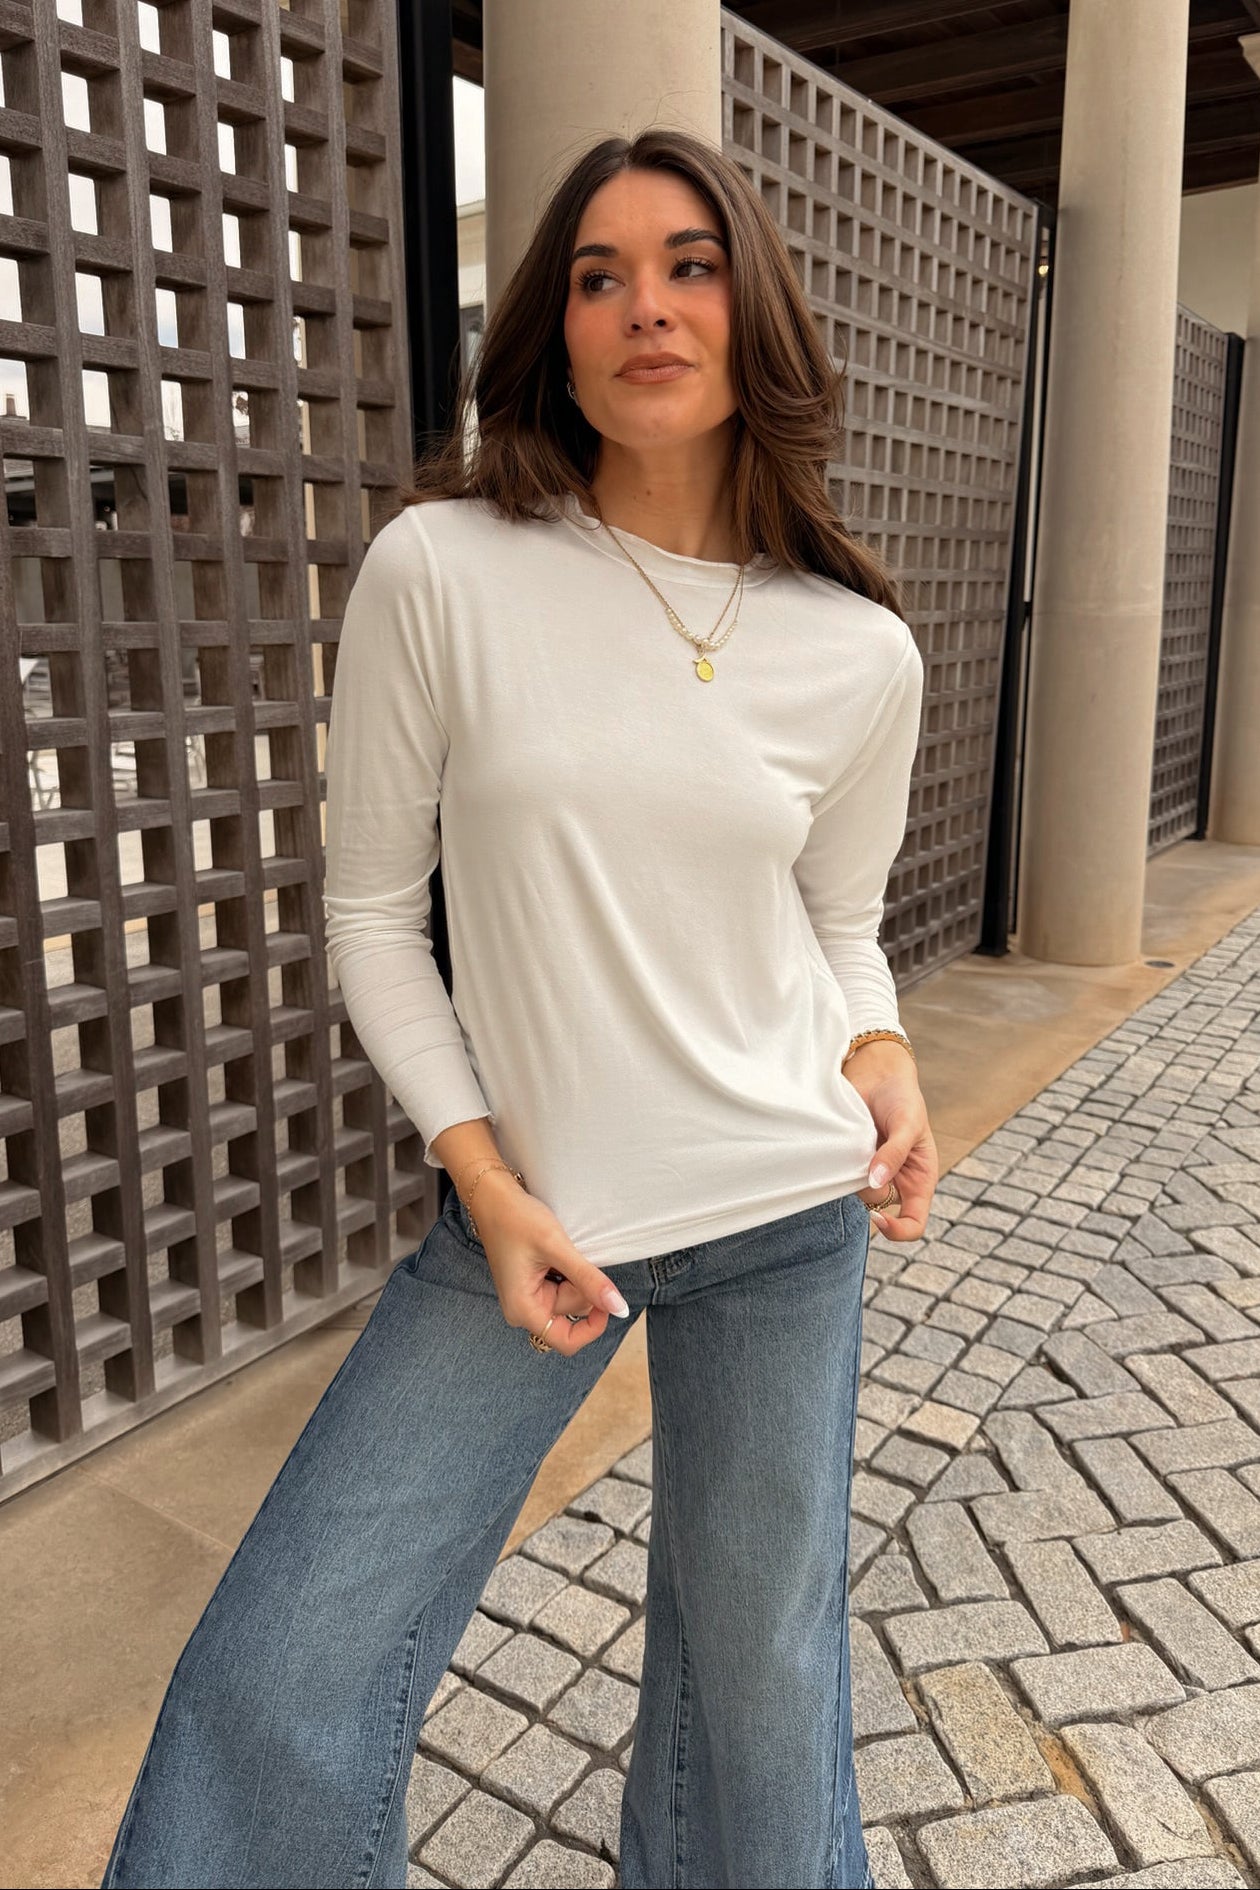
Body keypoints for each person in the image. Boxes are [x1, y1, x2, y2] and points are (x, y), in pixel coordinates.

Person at [100, 125, 937, 1890]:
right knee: (282, 1666)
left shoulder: (858, 649)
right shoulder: (446, 570)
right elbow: (368, 916)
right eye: (599, 275)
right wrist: (483, 1182)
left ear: (754, 309)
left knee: (762, 1689)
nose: (648, 307)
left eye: (691, 265)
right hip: (537, 1218)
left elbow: (838, 924)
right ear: (556, 329)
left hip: (792, 1210)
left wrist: (883, 1055)